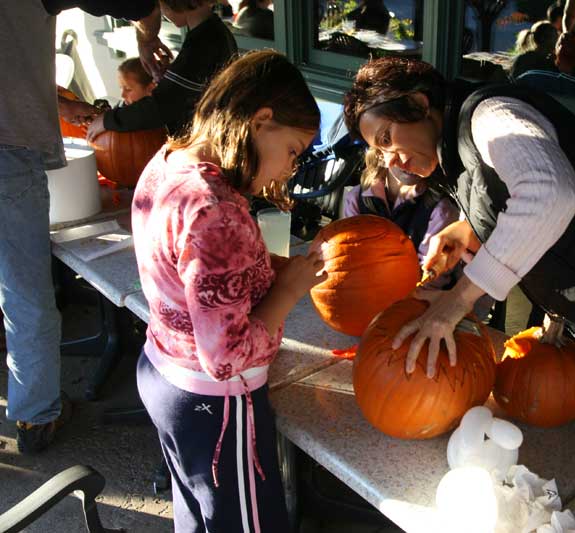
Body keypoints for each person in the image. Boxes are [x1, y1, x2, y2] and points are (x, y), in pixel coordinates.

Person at [342, 57, 575, 389]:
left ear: (418, 104)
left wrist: (459, 300)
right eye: (379, 151)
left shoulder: (492, 115)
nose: (390, 161)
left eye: (387, 139)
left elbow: (550, 192)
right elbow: (497, 187)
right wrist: (465, 228)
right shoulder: (451, 148)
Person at [132, 50, 325, 533]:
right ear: (261, 120)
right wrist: (288, 292)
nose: (288, 170)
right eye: (293, 152)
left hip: (162, 374)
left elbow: (202, 274)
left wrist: (280, 269)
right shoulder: (215, 209)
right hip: (215, 405)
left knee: (200, 517)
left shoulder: (168, 161)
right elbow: (226, 355)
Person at [0, 0, 164, 454]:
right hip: (7, 151)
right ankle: (36, 417)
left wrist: (58, 103)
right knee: (25, 292)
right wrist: (148, 32)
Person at [87, 0, 237, 140]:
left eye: (160, 5)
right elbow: (187, 90)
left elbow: (162, 106)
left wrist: (107, 121)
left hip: (206, 140)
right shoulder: (214, 32)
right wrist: (169, 77)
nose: (161, 12)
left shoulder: (203, 43)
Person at [343, 147, 460, 288]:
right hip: (363, 289)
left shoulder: (440, 211)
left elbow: (430, 279)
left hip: (414, 297)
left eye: (420, 151)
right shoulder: (356, 199)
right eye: (400, 149)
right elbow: (348, 255)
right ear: (380, 153)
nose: (409, 160)